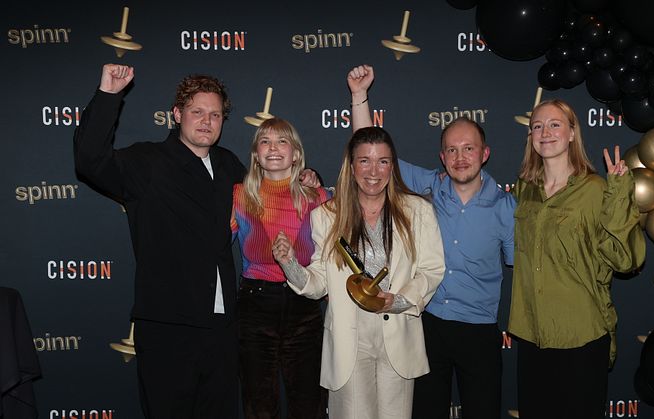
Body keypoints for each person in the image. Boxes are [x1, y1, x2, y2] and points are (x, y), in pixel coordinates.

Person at [73, 64, 245, 418]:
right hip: (168, 327)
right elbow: (90, 159)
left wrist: (308, 178)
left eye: (215, 114)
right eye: (197, 111)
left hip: (222, 326)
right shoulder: (146, 161)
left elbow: (270, 195)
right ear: (177, 114)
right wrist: (108, 94)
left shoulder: (229, 165)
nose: (206, 121)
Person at [347, 65, 515, 419]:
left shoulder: (506, 208)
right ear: (442, 157)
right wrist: (359, 96)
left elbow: (521, 268)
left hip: (480, 332)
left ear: (484, 154)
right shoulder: (429, 187)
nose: (459, 158)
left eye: (468, 149)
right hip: (429, 324)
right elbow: (372, 150)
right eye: (451, 150)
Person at [272, 126, 445, 419]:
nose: (373, 171)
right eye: (364, 160)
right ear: (351, 167)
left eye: (383, 161)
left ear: (393, 165)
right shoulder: (327, 216)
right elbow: (318, 283)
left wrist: (397, 300)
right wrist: (290, 264)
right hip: (349, 338)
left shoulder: (418, 211)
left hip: (398, 330)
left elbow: (431, 270)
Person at [509, 99, 645, 418]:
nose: (545, 132)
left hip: (581, 335)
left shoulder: (596, 189)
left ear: (572, 133)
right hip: (532, 333)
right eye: (537, 126)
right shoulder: (523, 189)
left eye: (555, 124)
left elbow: (626, 261)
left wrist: (620, 195)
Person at [232, 118, 329, 419]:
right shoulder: (238, 196)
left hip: (305, 307)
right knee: (259, 405)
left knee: (308, 403)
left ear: (296, 154)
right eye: (265, 141)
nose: (273, 148)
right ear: (256, 154)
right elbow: (212, 246)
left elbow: (332, 258)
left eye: (282, 141)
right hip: (255, 307)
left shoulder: (318, 198)